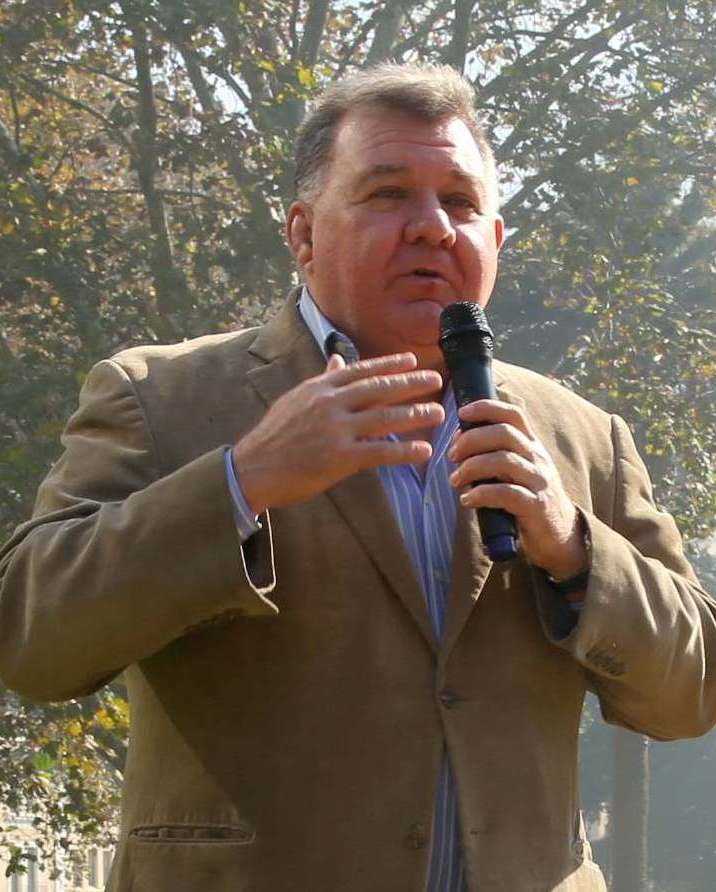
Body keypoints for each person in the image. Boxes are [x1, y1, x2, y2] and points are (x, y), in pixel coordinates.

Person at [0, 63, 714, 892]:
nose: (432, 228)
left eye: (460, 202)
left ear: (496, 240)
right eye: (387, 194)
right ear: (303, 234)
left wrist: (576, 548)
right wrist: (242, 481)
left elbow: (693, 693)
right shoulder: (157, 398)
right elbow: (30, 644)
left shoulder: (584, 438)